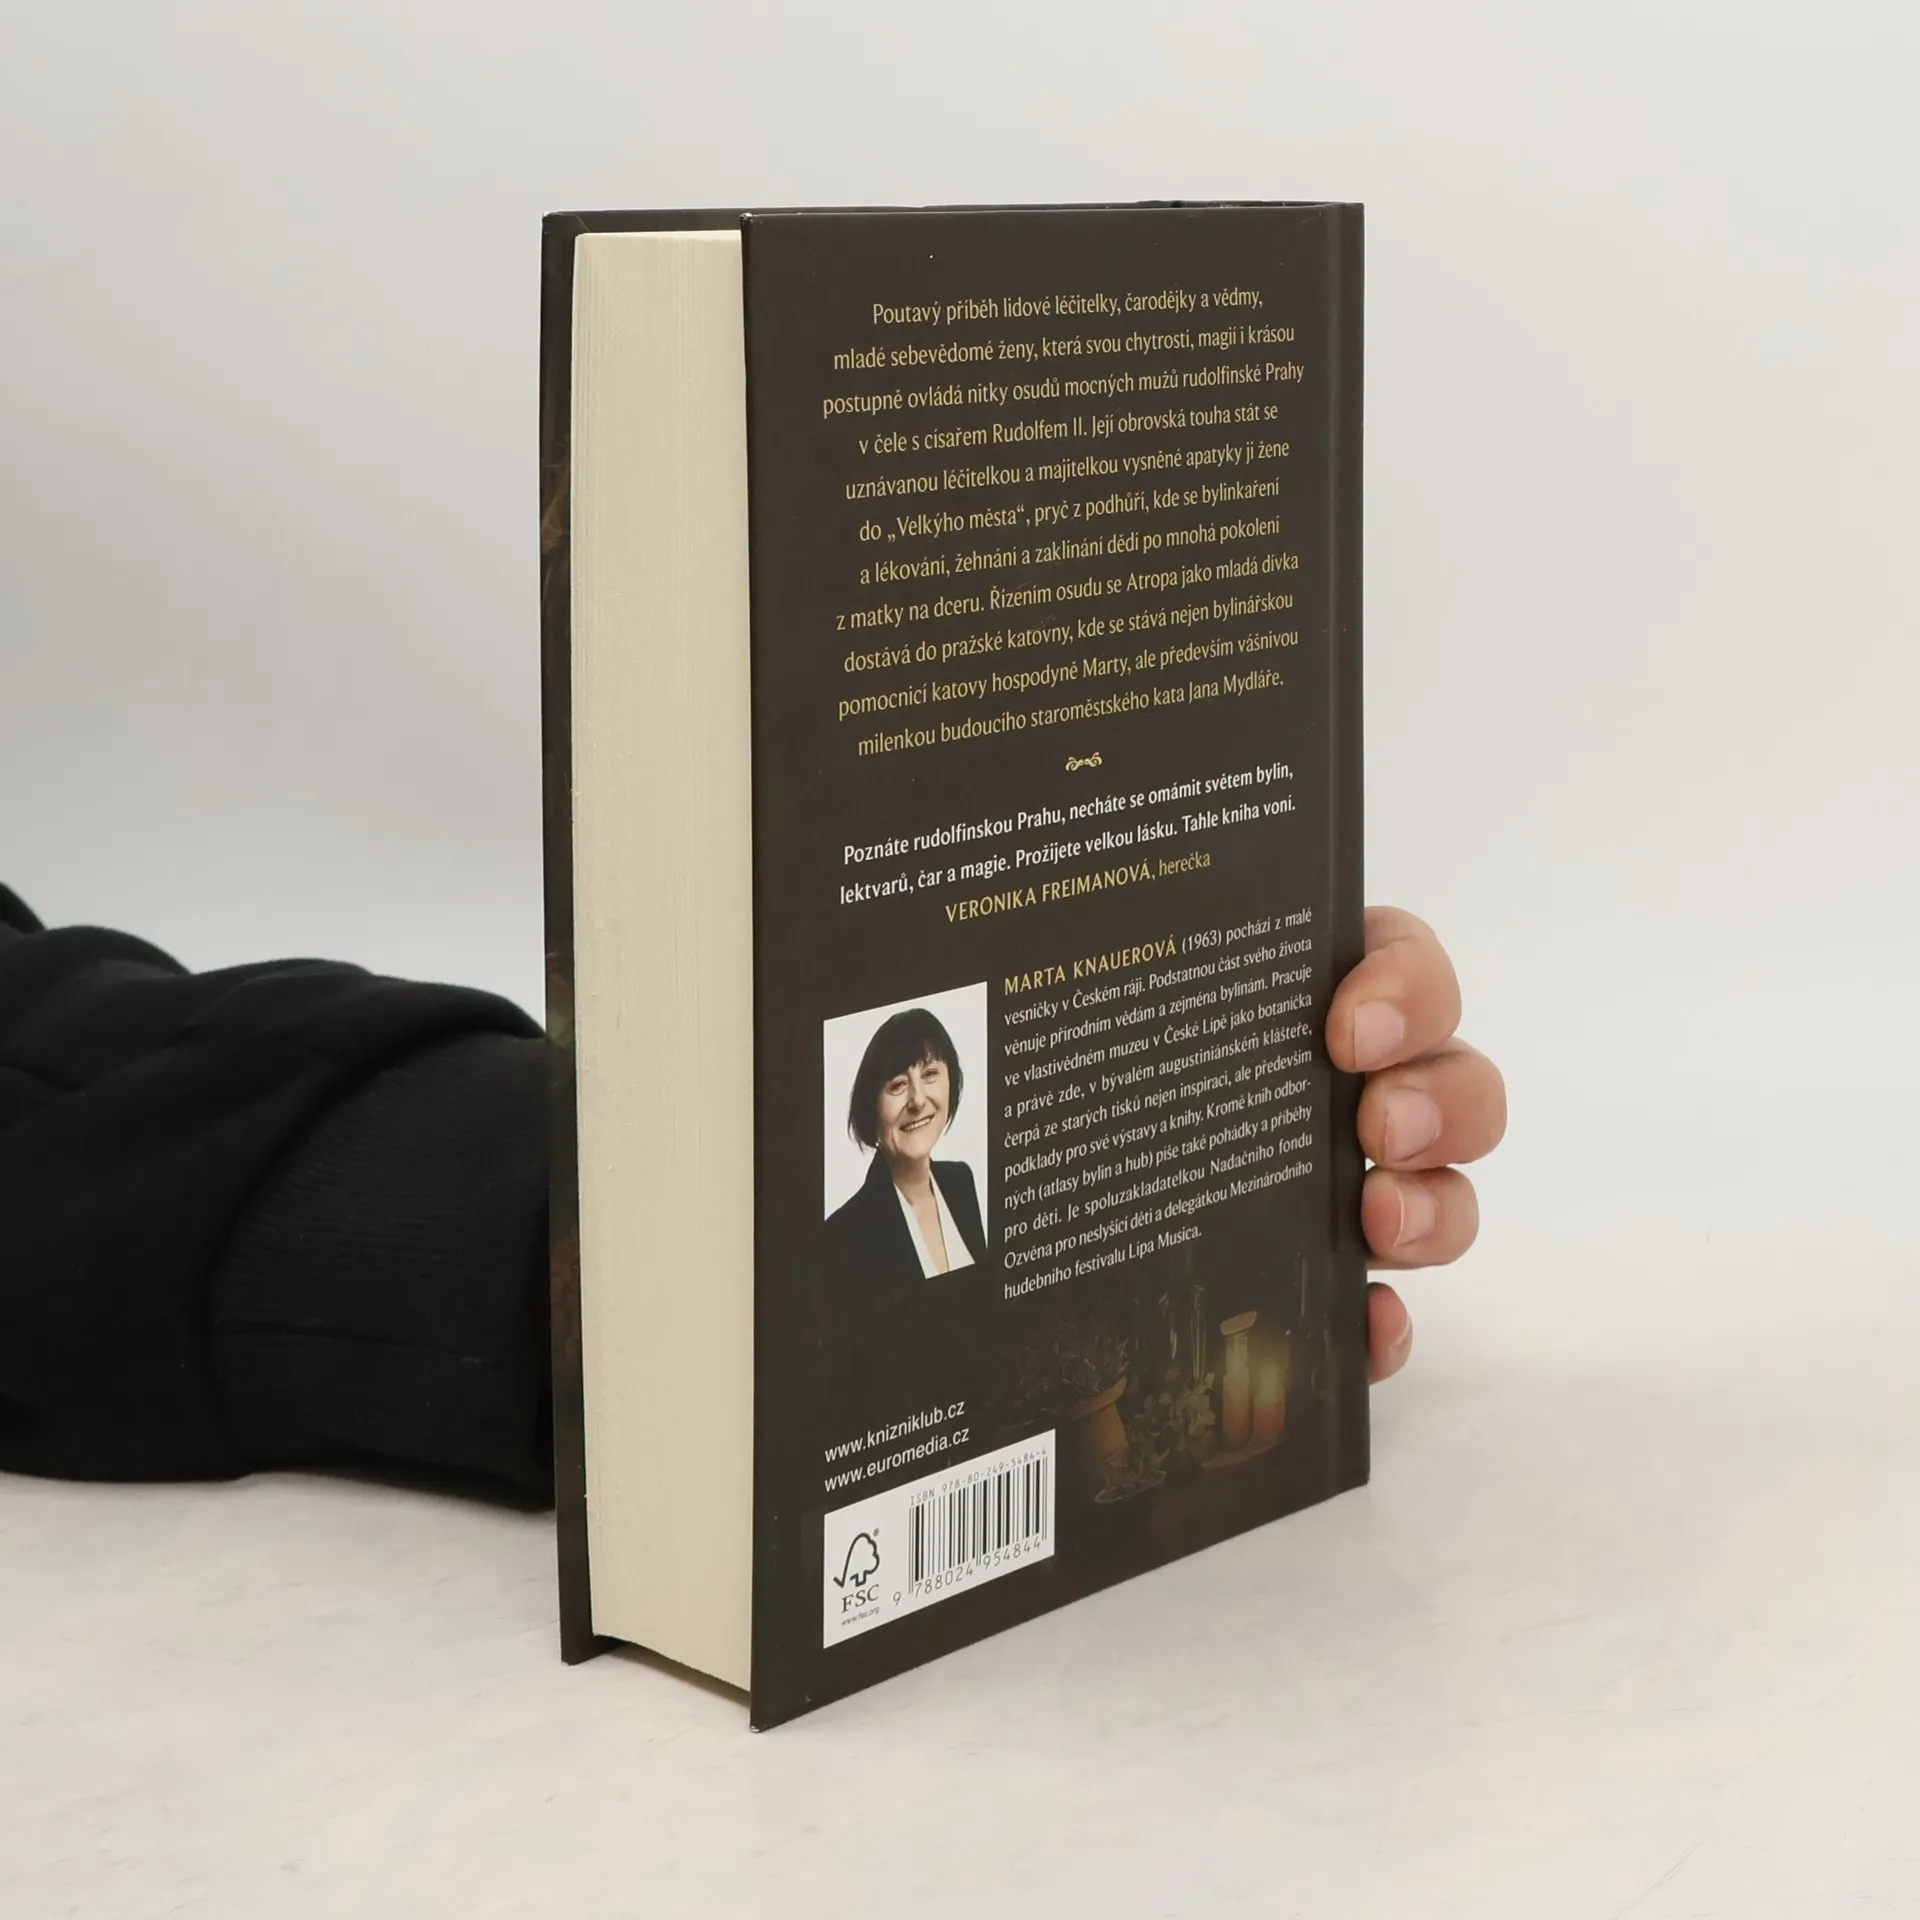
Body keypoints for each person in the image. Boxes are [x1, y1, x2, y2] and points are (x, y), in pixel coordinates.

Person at [0, 887, 1504, 1499]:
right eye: (899, 1081)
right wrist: (594, 1228)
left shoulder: (958, 1190)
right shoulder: (843, 1217)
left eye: (939, 1077)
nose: (921, 1099)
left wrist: (1173, 1114)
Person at [826, 1006, 987, 1296]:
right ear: (871, 1107)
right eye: (898, 1085)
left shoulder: (961, 1181)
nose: (918, 1101)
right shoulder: (841, 1235)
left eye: (930, 1074)